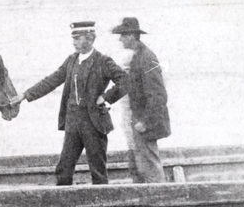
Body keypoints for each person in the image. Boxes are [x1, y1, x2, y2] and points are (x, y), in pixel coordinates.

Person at [12, 21, 126, 185]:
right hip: (72, 121)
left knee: (97, 168)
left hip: (93, 122)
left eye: (78, 39)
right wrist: (25, 95)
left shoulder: (103, 61)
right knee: (64, 167)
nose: (74, 42)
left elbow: (126, 81)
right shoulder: (71, 60)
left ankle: (102, 205)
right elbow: (51, 80)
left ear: (90, 38)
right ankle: (62, 204)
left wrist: (107, 98)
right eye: (73, 39)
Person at [105, 17, 170, 184]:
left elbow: (158, 95)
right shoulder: (137, 57)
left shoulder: (147, 58)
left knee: (150, 165)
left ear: (132, 36)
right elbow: (127, 84)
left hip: (145, 123)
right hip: (138, 121)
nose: (120, 39)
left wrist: (145, 122)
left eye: (123, 35)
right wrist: (105, 100)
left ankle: (160, 199)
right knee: (140, 164)